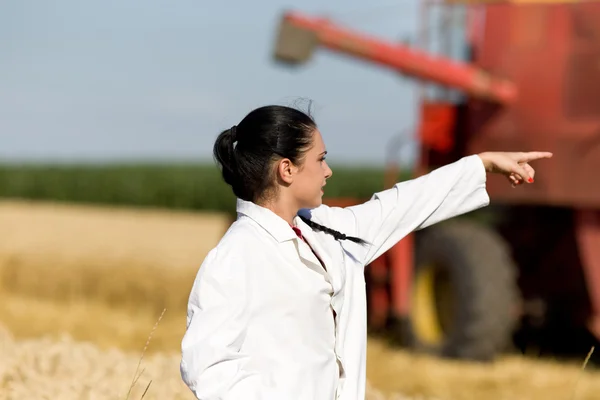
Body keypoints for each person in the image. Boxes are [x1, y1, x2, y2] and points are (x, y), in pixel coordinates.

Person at [179, 104, 552, 400]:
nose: (328, 171)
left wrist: (481, 164)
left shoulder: (328, 230)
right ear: (287, 169)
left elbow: (401, 205)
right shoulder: (235, 256)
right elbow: (207, 367)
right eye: (320, 158)